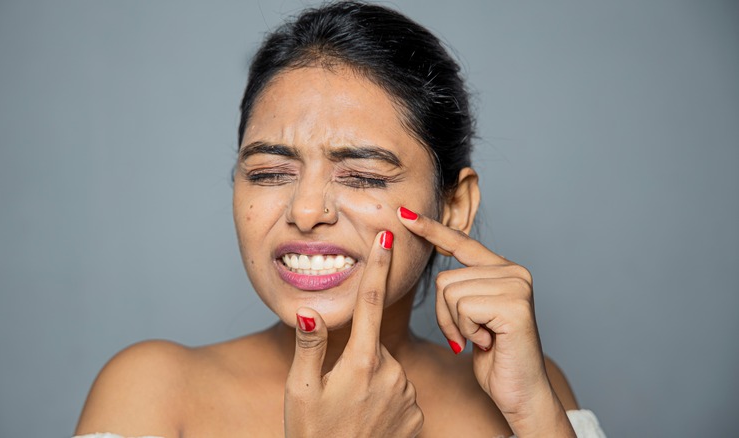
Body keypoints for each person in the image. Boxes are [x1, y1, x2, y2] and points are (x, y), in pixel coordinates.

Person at [75, 2, 605, 436]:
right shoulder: (153, 393)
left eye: (365, 176)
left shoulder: (527, 396)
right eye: (268, 171)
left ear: (454, 206)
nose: (306, 211)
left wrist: (537, 415)